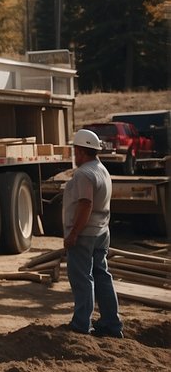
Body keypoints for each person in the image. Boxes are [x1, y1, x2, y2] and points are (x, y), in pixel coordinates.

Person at [62, 128, 123, 338]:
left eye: (75, 151)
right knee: (102, 276)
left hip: (85, 234)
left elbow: (86, 204)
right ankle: (111, 323)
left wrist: (73, 234)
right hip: (102, 232)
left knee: (82, 278)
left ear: (80, 151)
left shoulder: (84, 174)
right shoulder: (101, 170)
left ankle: (81, 324)